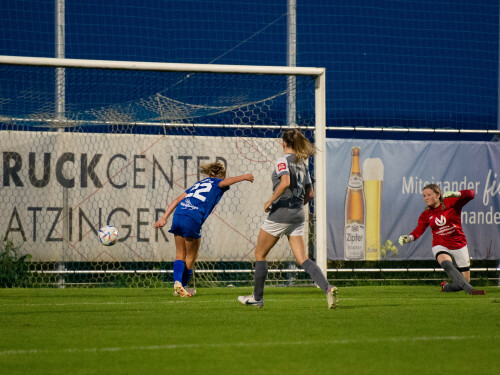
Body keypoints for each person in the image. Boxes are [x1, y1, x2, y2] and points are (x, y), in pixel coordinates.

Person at [238, 129, 338, 309]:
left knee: (260, 254)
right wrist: (297, 206)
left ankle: (257, 298)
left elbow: (284, 183)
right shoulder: (302, 163)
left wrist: (269, 201)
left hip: (280, 214)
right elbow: (311, 194)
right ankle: (327, 287)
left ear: (284, 143)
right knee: (303, 259)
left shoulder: (282, 161)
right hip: (298, 215)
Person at [154, 162, 254, 297]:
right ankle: (182, 286)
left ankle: (177, 283)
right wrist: (245, 176)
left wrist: (163, 218)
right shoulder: (218, 183)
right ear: (222, 175)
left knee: (180, 254)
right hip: (192, 217)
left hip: (179, 214)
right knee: (191, 256)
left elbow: (177, 199)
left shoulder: (199, 184)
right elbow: (225, 183)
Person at [398, 184, 485, 295]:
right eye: (424, 196)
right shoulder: (426, 214)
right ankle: (471, 291)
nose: (426, 198)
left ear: (438, 195)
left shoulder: (451, 202)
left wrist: (458, 194)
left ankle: (446, 287)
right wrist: (409, 238)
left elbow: (471, 194)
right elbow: (419, 230)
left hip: (459, 244)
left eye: (429, 195)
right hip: (440, 244)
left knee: (464, 281)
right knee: (446, 264)